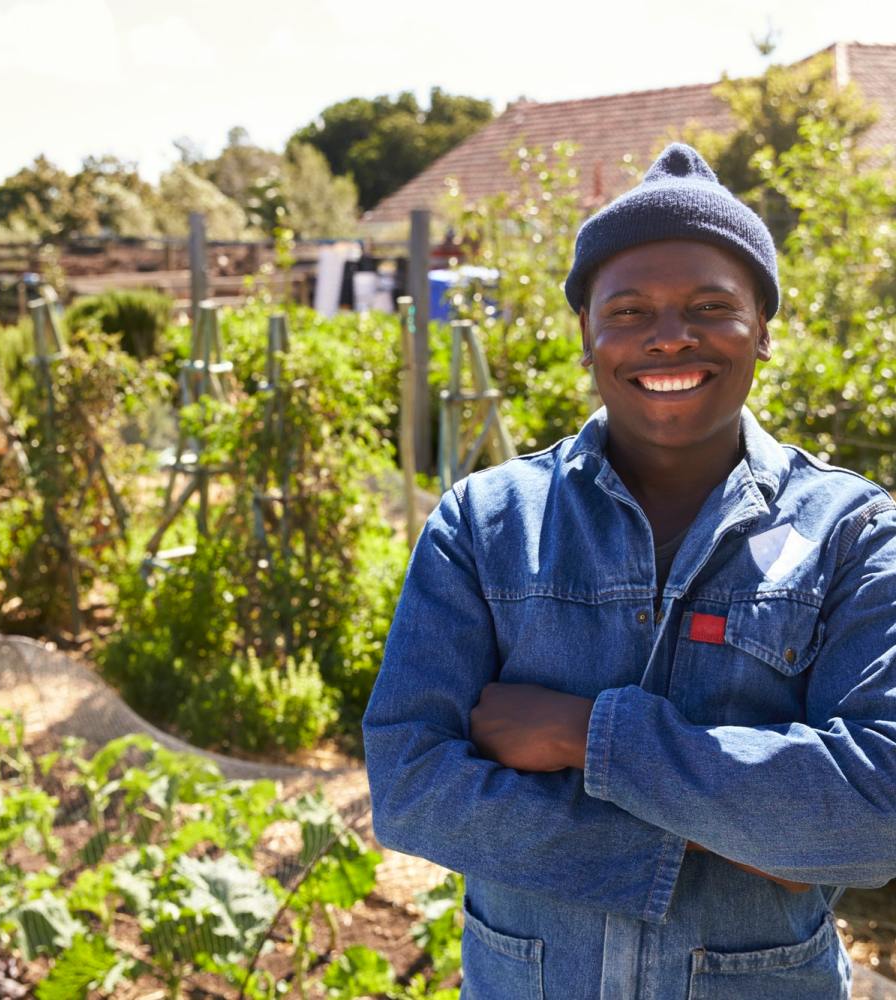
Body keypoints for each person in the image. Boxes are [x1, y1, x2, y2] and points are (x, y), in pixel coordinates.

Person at [362, 143, 896, 999]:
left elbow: (874, 818)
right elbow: (411, 785)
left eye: (711, 305)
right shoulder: (487, 523)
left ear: (763, 329)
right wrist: (740, 836)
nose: (670, 335)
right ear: (587, 336)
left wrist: (586, 737)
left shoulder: (853, 535)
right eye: (630, 309)